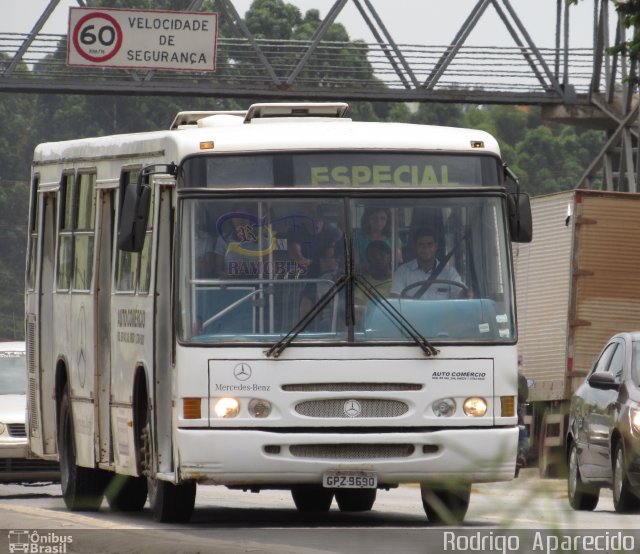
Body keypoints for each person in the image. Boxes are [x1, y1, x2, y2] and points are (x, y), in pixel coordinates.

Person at [390, 227, 465, 299]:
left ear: (436, 246)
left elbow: (462, 294)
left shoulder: (449, 272)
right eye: (421, 244)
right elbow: (395, 297)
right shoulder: (402, 272)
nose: (425, 248)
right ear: (415, 247)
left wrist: (466, 294)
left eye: (429, 244)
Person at [355, 240, 393, 305]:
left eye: (381, 254)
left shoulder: (398, 279)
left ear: (389, 257)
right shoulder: (364, 282)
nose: (378, 258)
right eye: (373, 256)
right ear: (369, 261)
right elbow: (357, 305)